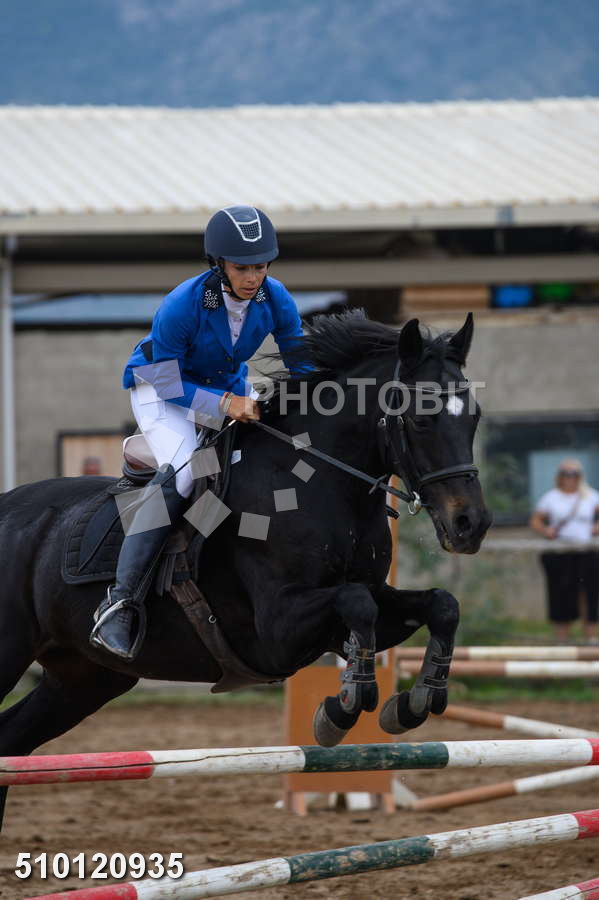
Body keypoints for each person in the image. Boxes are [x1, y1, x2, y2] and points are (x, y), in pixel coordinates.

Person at [90, 205, 304, 660]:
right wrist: (224, 404)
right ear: (219, 264)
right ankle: (119, 604)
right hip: (160, 388)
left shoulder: (275, 298)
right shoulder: (184, 303)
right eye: (242, 268)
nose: (253, 277)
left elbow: (301, 363)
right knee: (186, 473)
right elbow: (168, 381)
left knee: (267, 457)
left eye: (261, 266)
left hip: (227, 386)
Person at [530, 459, 599, 641]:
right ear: (559, 476)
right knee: (561, 595)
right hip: (560, 552)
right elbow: (535, 521)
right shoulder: (551, 497)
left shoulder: (590, 496)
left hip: (586, 551)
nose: (570, 477)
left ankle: (591, 640)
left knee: (589, 595)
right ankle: (562, 640)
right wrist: (546, 530)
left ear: (580, 476)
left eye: (574, 474)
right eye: (565, 473)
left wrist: (595, 528)